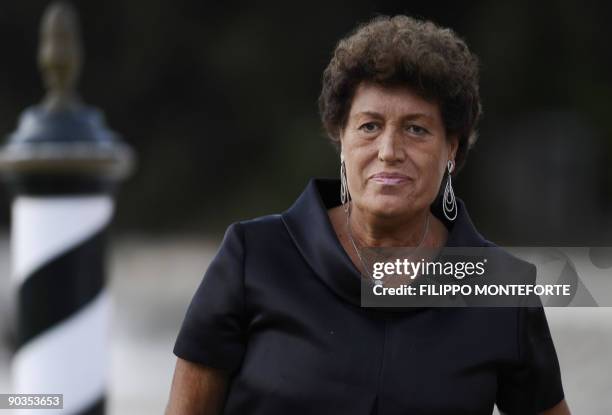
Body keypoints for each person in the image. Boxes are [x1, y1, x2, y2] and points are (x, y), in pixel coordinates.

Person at [165, 15, 570, 415]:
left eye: (416, 129)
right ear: (340, 137)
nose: (389, 150)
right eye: (370, 126)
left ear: (452, 149)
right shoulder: (254, 258)